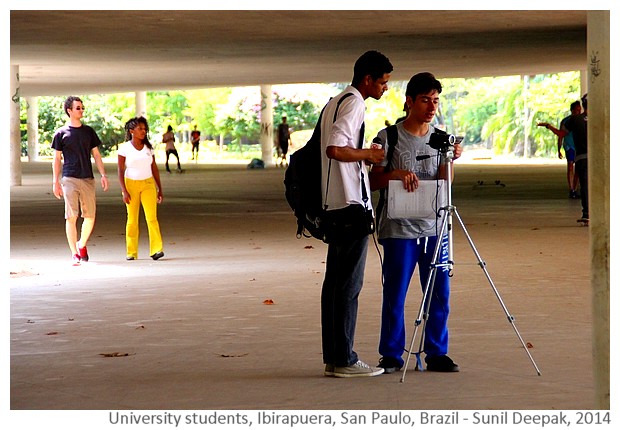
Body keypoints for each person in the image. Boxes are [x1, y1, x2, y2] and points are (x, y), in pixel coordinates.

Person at [369, 72, 463, 374]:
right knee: (395, 293)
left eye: (435, 101)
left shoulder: (440, 139)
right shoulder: (388, 138)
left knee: (439, 292)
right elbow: (371, 181)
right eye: (425, 100)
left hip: (435, 228)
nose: (431, 107)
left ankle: (437, 352)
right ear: (409, 101)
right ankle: (392, 354)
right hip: (398, 229)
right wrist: (394, 175)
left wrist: (450, 160)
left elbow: (443, 184)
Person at [320, 50, 392, 378]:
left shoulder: (334, 101)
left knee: (335, 284)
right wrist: (371, 155)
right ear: (367, 79)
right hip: (351, 206)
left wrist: (361, 158)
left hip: (334, 204)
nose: (385, 88)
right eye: (383, 82)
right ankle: (345, 360)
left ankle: (334, 358)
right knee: (349, 285)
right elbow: (335, 148)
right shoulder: (355, 102)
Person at [52, 96, 109, 264]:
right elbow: (56, 159)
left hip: (87, 178)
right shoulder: (61, 133)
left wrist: (103, 174)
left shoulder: (88, 131)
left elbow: (96, 154)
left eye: (82, 107)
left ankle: (81, 244)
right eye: (78, 108)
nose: (81, 110)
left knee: (90, 216)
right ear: (69, 111)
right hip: (69, 178)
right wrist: (55, 181)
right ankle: (74, 253)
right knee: (71, 216)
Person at [117, 116, 165, 261]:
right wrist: (124, 190)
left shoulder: (149, 148)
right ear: (132, 131)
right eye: (140, 129)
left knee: (151, 218)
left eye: (145, 129)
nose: (143, 131)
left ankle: (156, 249)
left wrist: (159, 188)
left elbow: (154, 168)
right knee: (132, 220)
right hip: (131, 184)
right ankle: (131, 252)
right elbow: (120, 170)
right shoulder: (124, 148)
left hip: (148, 184)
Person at [537, 100, 582, 198]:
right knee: (570, 166)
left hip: (579, 147)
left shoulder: (582, 119)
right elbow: (561, 135)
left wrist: (548, 126)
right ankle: (571, 189)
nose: (578, 112)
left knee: (578, 170)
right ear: (572, 110)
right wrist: (559, 148)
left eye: (580, 110)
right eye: (576, 110)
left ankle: (575, 189)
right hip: (569, 146)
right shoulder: (566, 121)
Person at [559, 94, 589, 224]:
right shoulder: (602, 116)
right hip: (590, 155)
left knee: (584, 184)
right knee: (572, 168)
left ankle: (587, 212)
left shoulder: (575, 120)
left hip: (582, 156)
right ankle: (572, 188)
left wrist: (548, 126)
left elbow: (560, 133)